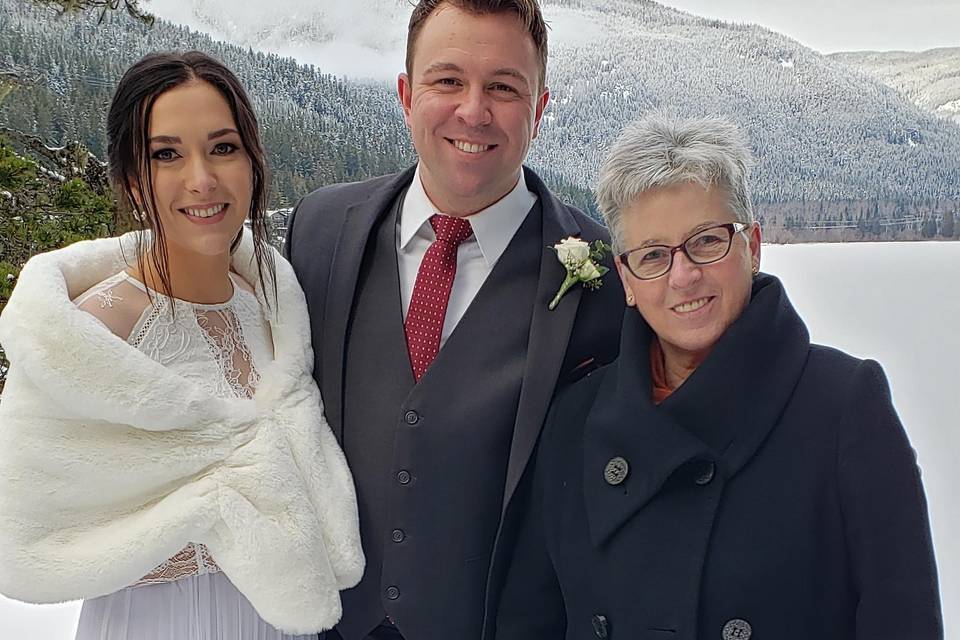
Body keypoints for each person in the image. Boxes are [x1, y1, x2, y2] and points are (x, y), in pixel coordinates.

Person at [495, 113, 944, 639]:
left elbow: (902, 621)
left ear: (752, 246)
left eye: (707, 241)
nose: (683, 276)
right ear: (627, 279)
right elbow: (529, 620)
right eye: (654, 255)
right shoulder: (575, 417)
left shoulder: (844, 407)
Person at [283, 1, 624, 638]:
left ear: (539, 109)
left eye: (503, 87)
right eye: (448, 81)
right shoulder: (320, 230)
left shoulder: (606, 278)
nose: (473, 111)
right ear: (407, 95)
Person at [0, 51, 364, 639]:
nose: (202, 179)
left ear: (252, 161)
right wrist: (220, 524)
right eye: (167, 154)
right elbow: (29, 532)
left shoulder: (272, 309)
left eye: (223, 147)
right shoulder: (93, 332)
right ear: (132, 179)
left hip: (280, 618)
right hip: (161, 624)